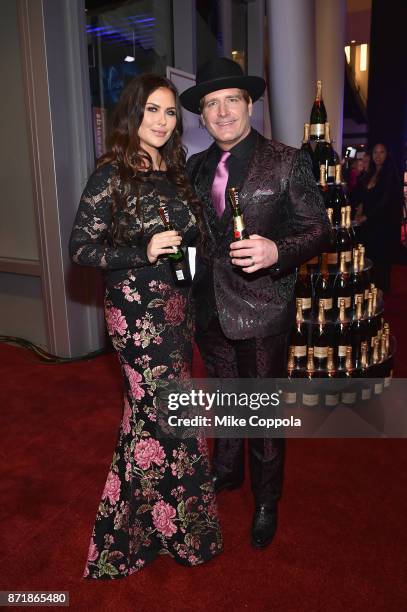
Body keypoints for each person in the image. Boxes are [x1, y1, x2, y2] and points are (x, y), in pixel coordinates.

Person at [69, 74, 222, 579]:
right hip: (135, 313)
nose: (161, 121)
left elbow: (191, 240)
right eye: (152, 110)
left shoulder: (174, 169)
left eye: (170, 112)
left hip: (176, 310)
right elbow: (82, 248)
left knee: (164, 416)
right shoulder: (113, 172)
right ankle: (141, 534)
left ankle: (157, 527)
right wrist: (144, 250)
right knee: (156, 415)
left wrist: (193, 258)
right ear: (133, 115)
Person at [180, 58, 331, 548]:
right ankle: (227, 471)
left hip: (263, 308)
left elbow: (319, 231)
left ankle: (267, 499)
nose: (222, 112)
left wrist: (276, 251)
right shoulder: (195, 167)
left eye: (231, 100)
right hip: (208, 308)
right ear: (201, 116)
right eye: (210, 104)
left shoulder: (287, 161)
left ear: (249, 104)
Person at [355, 142, 401, 292]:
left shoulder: (389, 174)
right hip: (368, 226)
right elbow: (362, 197)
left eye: (382, 152)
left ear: (387, 155)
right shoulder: (370, 173)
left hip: (382, 225)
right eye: (375, 152)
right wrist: (359, 212)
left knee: (380, 260)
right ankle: (369, 290)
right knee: (368, 259)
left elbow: (384, 202)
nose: (378, 156)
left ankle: (380, 294)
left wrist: (366, 216)